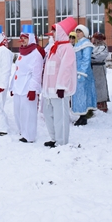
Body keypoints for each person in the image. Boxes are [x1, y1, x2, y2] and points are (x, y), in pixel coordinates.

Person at [42, 17, 77, 147]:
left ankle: (61, 141)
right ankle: (54, 138)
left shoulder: (67, 48)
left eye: (54, 31)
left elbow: (66, 68)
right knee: (49, 115)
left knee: (60, 116)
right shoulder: (54, 47)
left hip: (59, 90)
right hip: (49, 90)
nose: (52, 34)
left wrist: (61, 86)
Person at [11, 25, 44, 143]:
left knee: (29, 112)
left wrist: (33, 89)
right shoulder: (21, 51)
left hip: (28, 87)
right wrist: (12, 86)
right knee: (18, 111)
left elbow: (37, 74)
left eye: (25, 37)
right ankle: (22, 131)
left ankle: (29, 135)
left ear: (30, 38)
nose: (23, 40)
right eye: (22, 37)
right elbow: (17, 70)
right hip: (18, 86)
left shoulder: (35, 53)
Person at [72, 25, 96, 126]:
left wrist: (81, 72)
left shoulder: (86, 44)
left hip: (83, 74)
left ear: (84, 33)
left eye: (80, 32)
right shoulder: (78, 44)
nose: (77, 34)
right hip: (76, 72)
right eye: (76, 32)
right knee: (78, 95)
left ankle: (83, 117)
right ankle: (81, 116)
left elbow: (86, 60)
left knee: (83, 94)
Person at [91, 32, 110, 113]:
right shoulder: (92, 47)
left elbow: (97, 57)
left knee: (100, 87)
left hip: (99, 70)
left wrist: (89, 57)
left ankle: (101, 105)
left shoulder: (103, 47)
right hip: (92, 69)